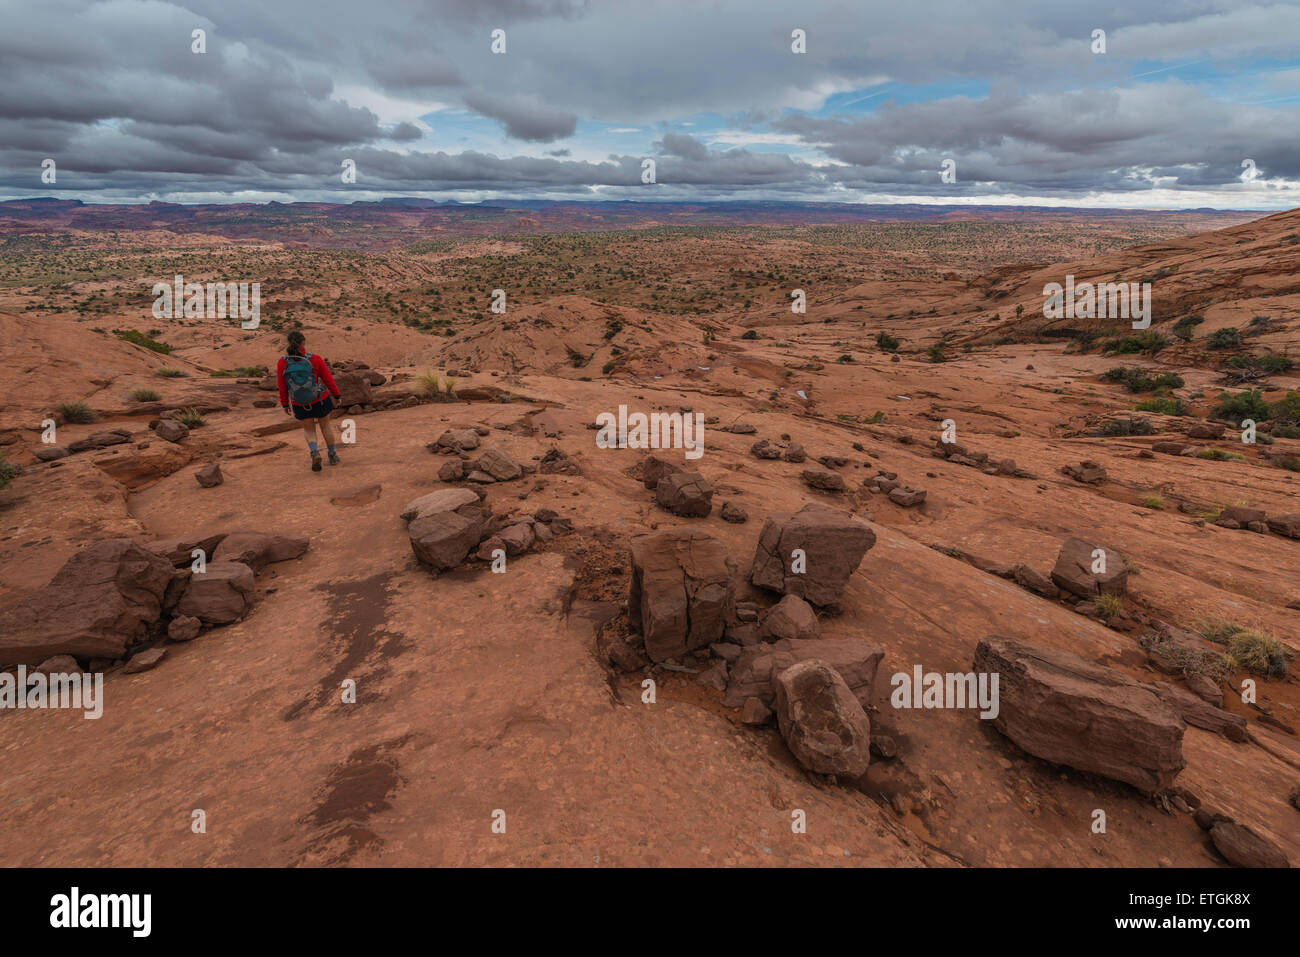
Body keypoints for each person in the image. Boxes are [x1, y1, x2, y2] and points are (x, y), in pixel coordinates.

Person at [276, 330, 343, 471]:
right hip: (320, 400)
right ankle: (332, 455)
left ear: (288, 343)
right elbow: (328, 379)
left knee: (309, 429)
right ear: (304, 342)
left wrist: (284, 403)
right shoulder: (315, 359)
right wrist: (337, 395)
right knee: (326, 426)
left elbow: (282, 385)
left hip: (299, 403)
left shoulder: (282, 362)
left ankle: (315, 452)